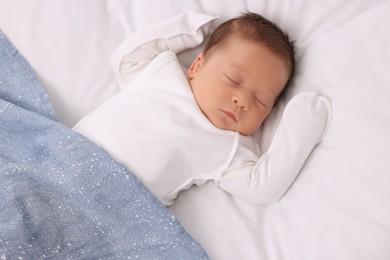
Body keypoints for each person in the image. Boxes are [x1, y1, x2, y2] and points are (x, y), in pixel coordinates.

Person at [74, 11, 331, 206]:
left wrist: (301, 128)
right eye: (233, 80)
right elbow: (126, 59)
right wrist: (188, 29)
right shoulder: (164, 74)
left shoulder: (229, 146)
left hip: (111, 206)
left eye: (260, 101)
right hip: (69, 155)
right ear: (197, 66)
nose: (242, 101)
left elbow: (262, 188)